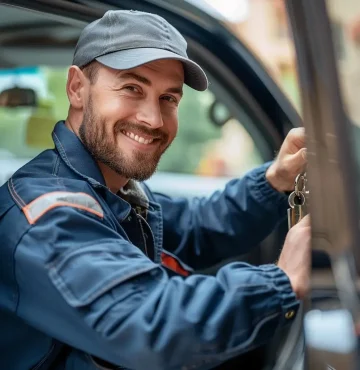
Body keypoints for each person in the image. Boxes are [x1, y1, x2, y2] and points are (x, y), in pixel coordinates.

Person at [0, 10, 310, 370]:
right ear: (77, 88)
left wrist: (277, 180)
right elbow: (151, 327)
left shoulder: (109, 192)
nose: (154, 119)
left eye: (169, 98)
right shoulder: (46, 216)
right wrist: (282, 282)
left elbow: (196, 227)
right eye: (132, 88)